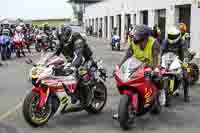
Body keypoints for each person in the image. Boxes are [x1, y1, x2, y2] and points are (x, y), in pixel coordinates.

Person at [46, 26, 94, 104]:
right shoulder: (62, 41)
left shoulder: (77, 39)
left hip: (86, 60)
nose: (63, 38)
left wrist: (72, 67)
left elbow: (78, 55)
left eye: (65, 36)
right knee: (61, 73)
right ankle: (71, 94)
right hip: (72, 61)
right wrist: (45, 62)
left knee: (81, 75)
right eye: (61, 36)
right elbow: (55, 53)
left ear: (69, 34)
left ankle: (88, 98)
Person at [161, 26, 190, 103]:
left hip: (179, 60)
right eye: (170, 36)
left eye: (173, 36)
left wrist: (185, 61)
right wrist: (159, 59)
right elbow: (162, 51)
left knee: (185, 76)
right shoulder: (165, 41)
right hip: (168, 60)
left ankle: (186, 94)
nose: (172, 37)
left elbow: (185, 53)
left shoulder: (182, 42)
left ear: (178, 36)